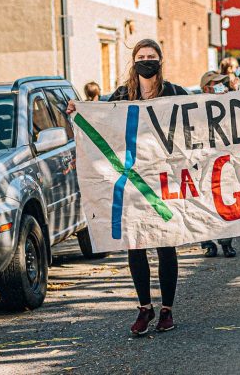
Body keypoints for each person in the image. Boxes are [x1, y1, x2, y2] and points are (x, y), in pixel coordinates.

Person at [66, 38, 185, 336]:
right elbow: (101, 128)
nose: (146, 60)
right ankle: (145, 307)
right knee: (136, 244)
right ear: (134, 61)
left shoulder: (174, 93)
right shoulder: (121, 95)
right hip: (132, 181)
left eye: (151, 56)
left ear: (160, 60)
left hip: (163, 181)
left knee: (165, 245)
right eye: (141, 56)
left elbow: (196, 122)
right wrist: (78, 112)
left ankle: (167, 310)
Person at [199, 70, 238, 258]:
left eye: (223, 83)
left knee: (226, 202)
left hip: (224, 162)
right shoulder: (193, 107)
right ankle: (207, 243)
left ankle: (226, 243)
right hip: (202, 163)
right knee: (203, 204)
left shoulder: (229, 103)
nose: (221, 86)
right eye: (217, 83)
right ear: (206, 87)